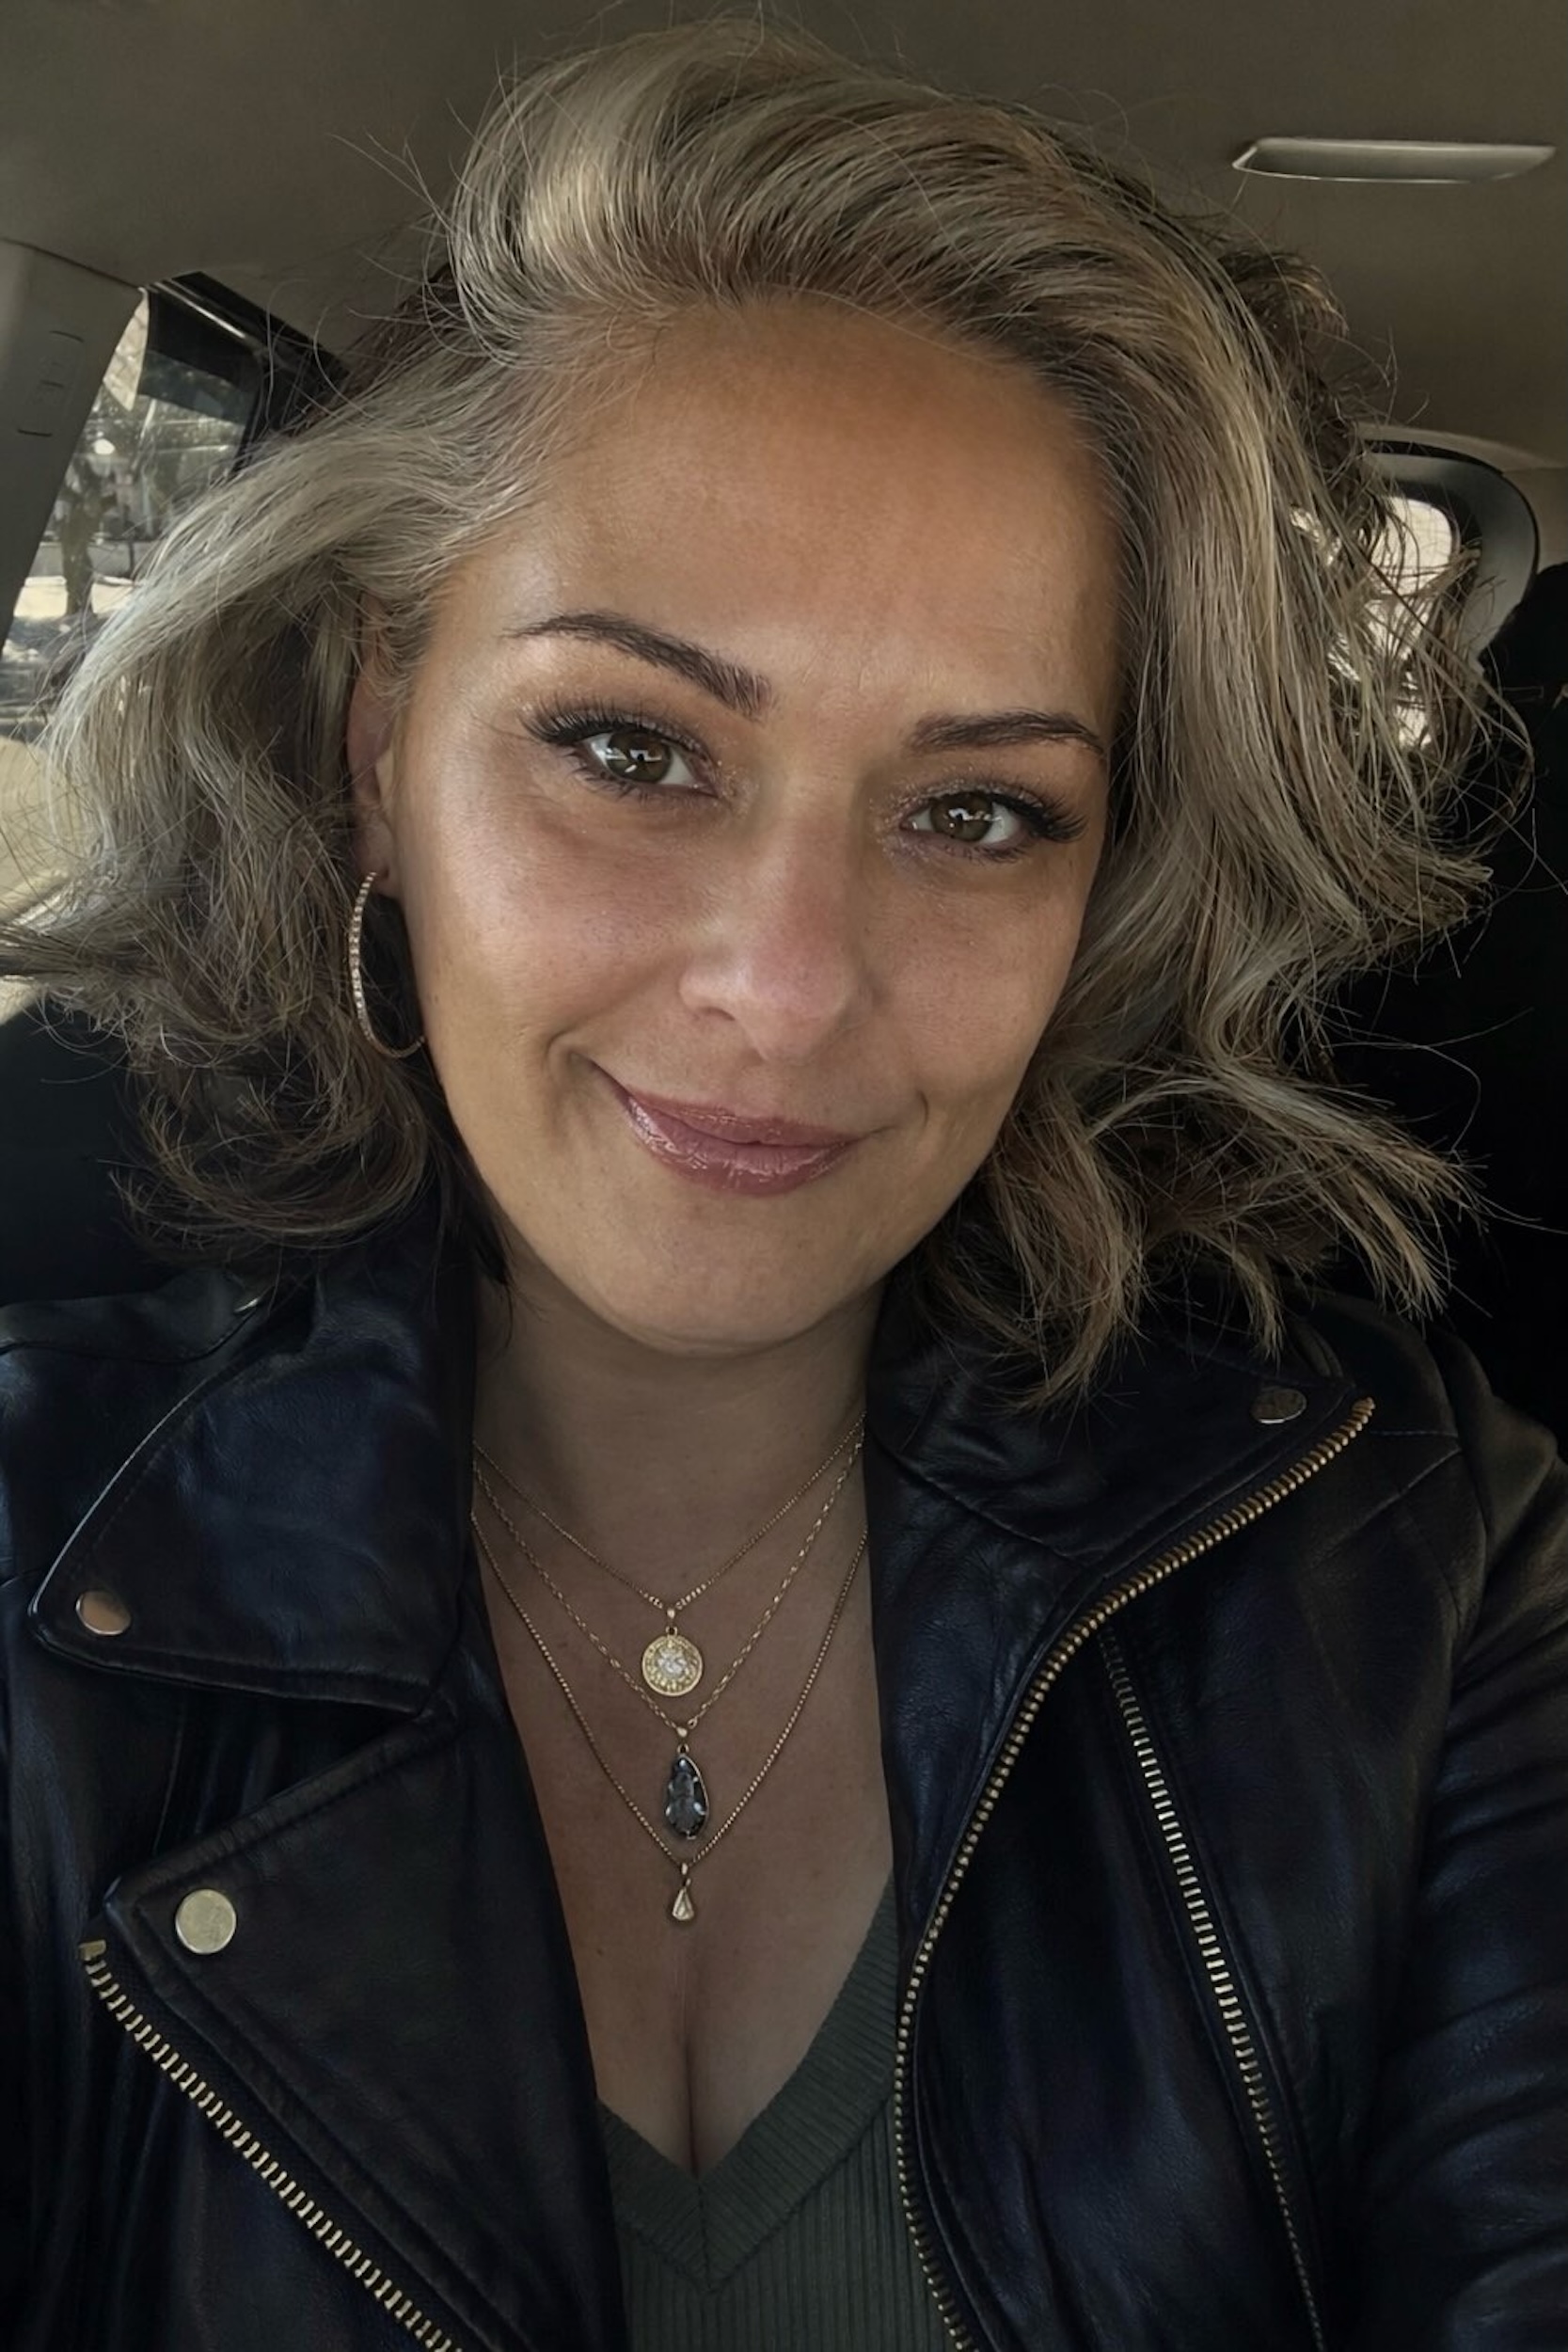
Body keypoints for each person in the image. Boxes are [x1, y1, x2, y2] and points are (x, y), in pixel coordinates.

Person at [2, 20, 1564, 2350]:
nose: (789, 985)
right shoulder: (34, 1552)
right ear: (376, 746)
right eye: (632, 747)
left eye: (978, 810)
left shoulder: (1414, 1569)